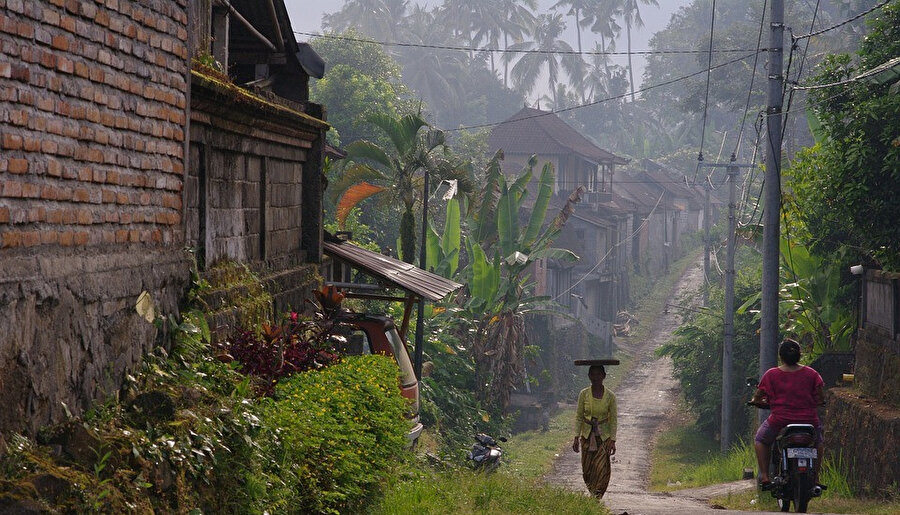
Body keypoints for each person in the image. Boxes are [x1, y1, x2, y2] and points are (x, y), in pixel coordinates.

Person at [750, 339, 825, 488]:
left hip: (780, 420)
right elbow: (820, 397)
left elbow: (759, 395)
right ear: (799, 355)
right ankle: (815, 478)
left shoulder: (771, 374)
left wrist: (755, 400)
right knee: (818, 443)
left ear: (781, 356)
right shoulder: (812, 374)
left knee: (761, 440)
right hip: (809, 421)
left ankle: (764, 475)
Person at [573, 365, 617, 498]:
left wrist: (613, 440)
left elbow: (613, 419)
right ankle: (593, 493)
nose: (596, 378)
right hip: (587, 436)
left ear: (604, 376)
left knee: (601, 469)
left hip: (603, 438)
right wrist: (576, 437)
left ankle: (596, 497)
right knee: (587, 470)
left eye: (598, 375)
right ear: (589, 377)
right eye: (593, 374)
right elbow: (579, 416)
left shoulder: (610, 396)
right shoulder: (584, 394)